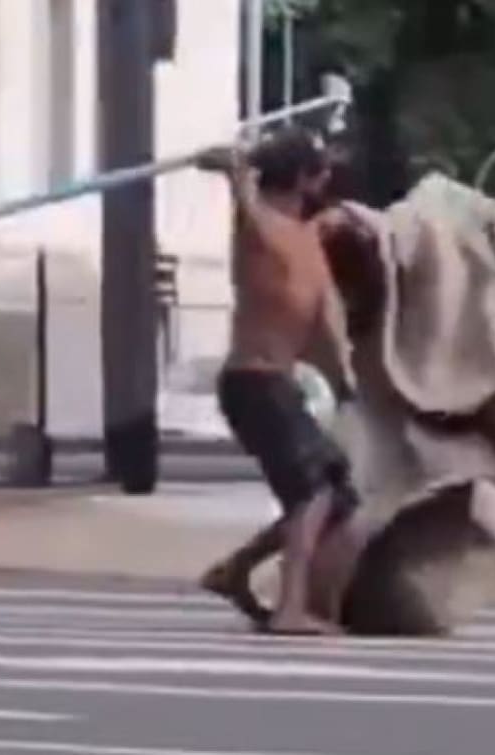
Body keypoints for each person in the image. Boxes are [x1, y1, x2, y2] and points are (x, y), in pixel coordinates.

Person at [196, 127, 361, 635]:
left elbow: (329, 321)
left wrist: (350, 382)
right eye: (321, 169)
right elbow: (247, 209)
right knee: (311, 494)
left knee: (339, 495)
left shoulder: (309, 238)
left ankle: (237, 569)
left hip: (280, 383)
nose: (329, 178)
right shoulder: (259, 227)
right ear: (302, 178)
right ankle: (290, 609)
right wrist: (235, 173)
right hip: (253, 382)